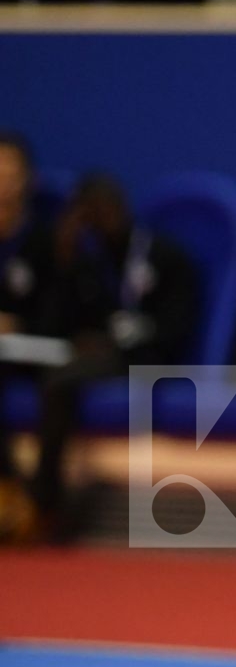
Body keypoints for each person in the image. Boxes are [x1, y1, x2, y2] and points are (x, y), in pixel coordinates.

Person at [0, 174, 197, 541]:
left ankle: (43, 501)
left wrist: (119, 345)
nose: (100, 221)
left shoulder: (163, 256)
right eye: (89, 214)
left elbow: (176, 329)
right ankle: (9, 483)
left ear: (121, 209)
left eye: (105, 211)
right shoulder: (84, 260)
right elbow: (59, 323)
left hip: (143, 357)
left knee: (60, 380)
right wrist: (65, 260)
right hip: (83, 353)